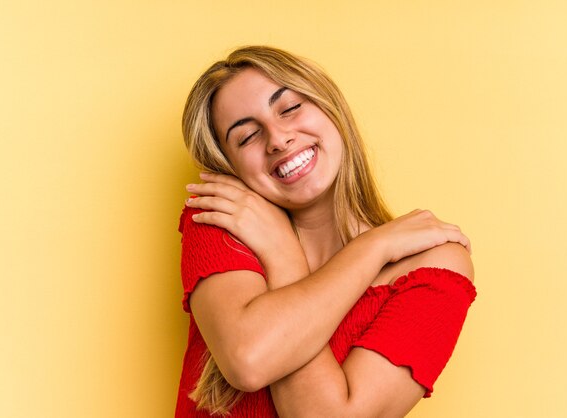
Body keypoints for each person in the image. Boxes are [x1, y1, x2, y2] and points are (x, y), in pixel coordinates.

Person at [175, 46, 476, 418]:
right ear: (229, 165)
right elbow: (248, 360)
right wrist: (373, 248)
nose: (278, 139)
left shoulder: (435, 266)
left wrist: (288, 257)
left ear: (330, 108)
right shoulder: (225, 217)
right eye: (247, 136)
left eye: (289, 108)